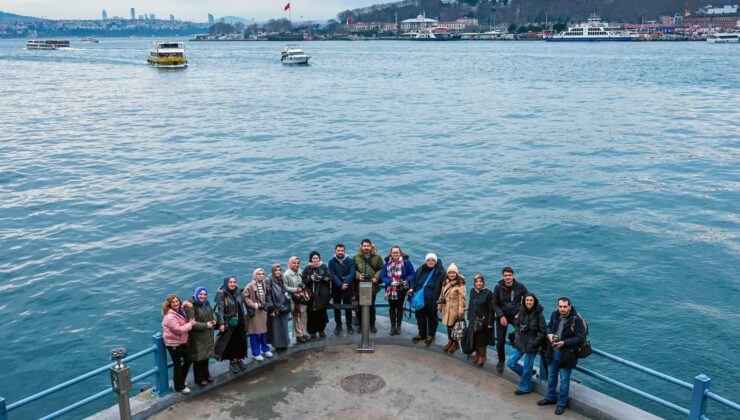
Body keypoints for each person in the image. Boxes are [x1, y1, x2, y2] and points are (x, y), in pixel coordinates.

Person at [538, 297, 586, 415]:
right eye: (560, 306)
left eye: (565, 307)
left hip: (567, 356)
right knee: (552, 377)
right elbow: (549, 327)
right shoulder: (555, 314)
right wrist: (549, 335)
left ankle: (561, 404)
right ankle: (550, 398)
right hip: (552, 352)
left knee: (564, 380)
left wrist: (564, 343)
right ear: (558, 306)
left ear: (569, 306)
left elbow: (580, 338)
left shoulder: (576, 320)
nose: (562, 309)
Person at [492, 266, 529, 373]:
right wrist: (501, 315)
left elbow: (528, 300)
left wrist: (520, 312)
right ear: (502, 276)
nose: (508, 277)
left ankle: (512, 337)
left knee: (522, 335)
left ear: (513, 275)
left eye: (509, 275)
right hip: (502, 316)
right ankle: (501, 360)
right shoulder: (498, 287)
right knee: (500, 341)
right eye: (505, 276)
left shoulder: (520, 286)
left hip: (515, 316)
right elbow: (493, 303)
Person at [508, 293, 546, 395]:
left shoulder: (539, 315)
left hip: (532, 344)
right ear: (524, 301)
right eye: (527, 300)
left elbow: (543, 332)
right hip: (520, 342)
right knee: (510, 362)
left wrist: (535, 343)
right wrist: (517, 336)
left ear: (534, 302)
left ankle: (525, 388)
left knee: (527, 367)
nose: (529, 302)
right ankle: (527, 375)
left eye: (531, 300)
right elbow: (517, 325)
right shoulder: (521, 311)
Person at [161, 294, 196, 393]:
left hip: (181, 341)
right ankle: (179, 386)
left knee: (189, 359)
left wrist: (185, 304)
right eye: (173, 302)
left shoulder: (179, 311)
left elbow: (182, 309)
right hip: (173, 343)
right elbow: (178, 330)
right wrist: (190, 324)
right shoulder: (169, 316)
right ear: (169, 304)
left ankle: (181, 381)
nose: (176, 303)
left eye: (177, 301)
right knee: (177, 364)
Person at [408, 253, 445, 346]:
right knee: (420, 317)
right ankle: (422, 334)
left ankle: (430, 335)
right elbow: (413, 279)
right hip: (419, 299)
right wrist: (412, 287)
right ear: (426, 261)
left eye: (433, 260)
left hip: (431, 300)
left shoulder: (439, 271)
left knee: (432, 318)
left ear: (436, 262)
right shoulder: (421, 269)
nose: (431, 262)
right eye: (428, 260)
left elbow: (444, 281)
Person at [214, 276, 249, 373]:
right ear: (226, 283)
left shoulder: (238, 291)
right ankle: (233, 362)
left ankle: (239, 359)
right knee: (231, 342)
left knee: (240, 341)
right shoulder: (222, 294)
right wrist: (221, 323)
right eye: (230, 282)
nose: (232, 284)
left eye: (234, 282)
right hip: (230, 322)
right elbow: (220, 309)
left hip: (240, 321)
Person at [185, 287, 217, 387]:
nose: (203, 296)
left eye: (204, 294)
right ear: (196, 294)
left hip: (207, 335)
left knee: (206, 356)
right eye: (200, 294)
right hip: (197, 337)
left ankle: (206, 375)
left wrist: (214, 320)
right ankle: (198, 379)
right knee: (198, 358)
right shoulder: (191, 306)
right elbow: (192, 324)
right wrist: (205, 325)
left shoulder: (206, 303)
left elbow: (212, 313)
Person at [380, 245, 415, 335]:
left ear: (400, 253)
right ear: (391, 253)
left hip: (401, 289)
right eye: (393, 252)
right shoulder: (387, 263)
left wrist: (406, 280)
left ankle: (398, 326)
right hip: (390, 290)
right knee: (392, 308)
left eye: (397, 252)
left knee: (399, 308)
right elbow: (383, 276)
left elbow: (412, 274)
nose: (395, 254)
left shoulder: (406, 262)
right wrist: (390, 282)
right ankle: (392, 327)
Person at [352, 239, 384, 333]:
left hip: (372, 286)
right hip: (360, 287)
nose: (366, 247)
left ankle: (372, 325)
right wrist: (358, 275)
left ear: (371, 247)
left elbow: (382, 268)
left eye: (368, 246)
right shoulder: (356, 257)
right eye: (364, 246)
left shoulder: (377, 257)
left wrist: (376, 277)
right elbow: (352, 270)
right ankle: (361, 326)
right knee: (360, 307)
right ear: (361, 247)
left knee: (372, 306)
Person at [243, 268, 273, 362]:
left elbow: (267, 295)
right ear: (255, 275)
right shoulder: (250, 285)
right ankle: (256, 353)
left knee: (264, 331)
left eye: (263, 274)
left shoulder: (264, 284)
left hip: (262, 311)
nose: (261, 275)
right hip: (254, 312)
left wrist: (266, 306)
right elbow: (244, 297)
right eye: (259, 274)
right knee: (254, 332)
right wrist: (254, 304)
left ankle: (265, 349)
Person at [302, 251, 331, 339]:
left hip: (321, 296)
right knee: (311, 314)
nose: (315, 260)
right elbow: (303, 281)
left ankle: (321, 330)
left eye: (317, 258)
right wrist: (310, 279)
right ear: (311, 259)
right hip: (311, 296)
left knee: (321, 313)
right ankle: (312, 331)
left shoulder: (324, 266)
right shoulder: (307, 269)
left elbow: (329, 278)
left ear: (319, 258)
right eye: (313, 258)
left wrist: (321, 278)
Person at [467, 274, 495, 366]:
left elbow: (491, 309)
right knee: (475, 338)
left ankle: (482, 356)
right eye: (477, 282)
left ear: (483, 283)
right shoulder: (472, 291)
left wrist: (490, 323)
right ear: (474, 283)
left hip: (484, 321)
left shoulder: (488, 293)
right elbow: (471, 305)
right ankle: (478, 354)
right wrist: (469, 318)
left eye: (480, 281)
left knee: (482, 340)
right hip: (474, 320)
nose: (479, 283)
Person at [438, 263, 466, 353]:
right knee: (449, 327)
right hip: (447, 308)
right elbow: (442, 295)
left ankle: (455, 344)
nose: (451, 275)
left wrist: (461, 311)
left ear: (456, 274)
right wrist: (440, 306)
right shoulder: (445, 282)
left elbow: (462, 299)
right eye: (450, 273)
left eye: (453, 273)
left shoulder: (460, 284)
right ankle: (450, 341)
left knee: (455, 328)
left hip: (455, 310)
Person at [328, 244, 355, 335]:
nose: (340, 252)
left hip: (347, 289)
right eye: (338, 250)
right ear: (335, 251)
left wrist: (345, 283)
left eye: (342, 250)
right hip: (336, 289)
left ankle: (349, 325)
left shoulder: (350, 261)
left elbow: (352, 273)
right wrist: (340, 284)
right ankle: (338, 325)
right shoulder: (331, 262)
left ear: (344, 251)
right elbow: (332, 274)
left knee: (348, 307)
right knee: (337, 308)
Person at [284, 256, 311, 343]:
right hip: (294, 299)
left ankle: (304, 332)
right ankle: (298, 335)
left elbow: (304, 281)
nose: (296, 265)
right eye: (294, 263)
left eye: (298, 263)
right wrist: (295, 290)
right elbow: (285, 287)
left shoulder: (300, 271)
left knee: (304, 316)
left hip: (302, 297)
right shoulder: (286, 274)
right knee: (296, 317)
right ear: (290, 263)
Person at [265, 263, 291, 352]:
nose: (278, 272)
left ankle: (284, 343)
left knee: (283, 325)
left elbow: (285, 291)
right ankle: (277, 345)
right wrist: (272, 308)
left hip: (283, 305)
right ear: (273, 271)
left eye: (279, 270)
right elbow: (268, 295)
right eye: (276, 270)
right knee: (276, 327)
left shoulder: (281, 278)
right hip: (275, 307)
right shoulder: (269, 280)